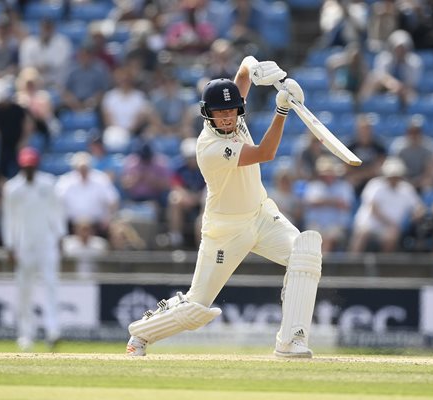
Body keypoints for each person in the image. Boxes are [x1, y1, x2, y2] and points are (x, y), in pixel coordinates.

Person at [126, 57, 323, 358]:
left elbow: (243, 71)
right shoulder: (211, 148)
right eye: (220, 113)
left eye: (232, 111)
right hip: (226, 231)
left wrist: (253, 69)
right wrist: (282, 109)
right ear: (208, 115)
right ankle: (140, 334)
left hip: (262, 215)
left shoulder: (235, 117)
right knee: (196, 307)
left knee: (305, 253)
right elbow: (265, 153)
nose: (228, 118)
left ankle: (290, 341)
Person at [2, 147, 66, 351]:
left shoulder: (48, 184)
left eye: (32, 166)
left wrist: (60, 236)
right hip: (24, 245)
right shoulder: (13, 188)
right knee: (24, 290)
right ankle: (25, 335)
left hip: (47, 242)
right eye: (26, 166)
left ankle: (52, 331)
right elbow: (9, 218)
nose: (29, 170)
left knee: (51, 285)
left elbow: (57, 211)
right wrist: (10, 245)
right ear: (21, 166)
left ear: (36, 165)